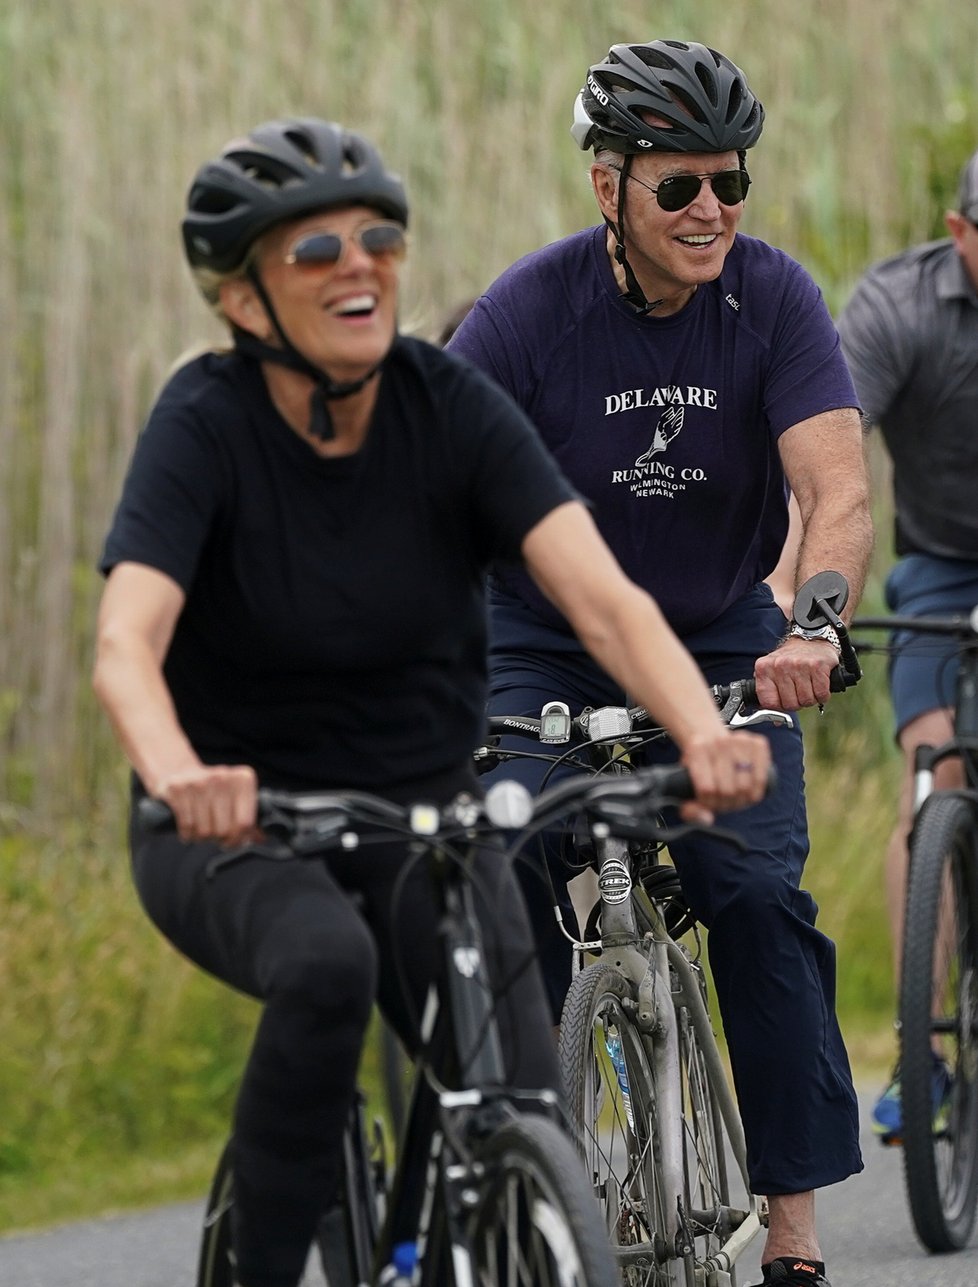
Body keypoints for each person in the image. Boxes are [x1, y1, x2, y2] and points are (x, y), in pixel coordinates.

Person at [91, 116, 771, 1287]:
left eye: (380, 239)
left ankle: (496, 1217)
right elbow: (125, 646)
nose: (359, 264)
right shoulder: (203, 427)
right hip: (242, 824)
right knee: (325, 967)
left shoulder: (447, 407)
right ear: (244, 301)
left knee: (515, 1105)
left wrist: (705, 733)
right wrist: (178, 773)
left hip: (424, 815)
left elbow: (603, 602)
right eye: (315, 252)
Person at [447, 40, 873, 1287]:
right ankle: (525, 1177)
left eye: (731, 184)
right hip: (539, 639)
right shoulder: (525, 315)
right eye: (679, 186)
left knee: (753, 903)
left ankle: (791, 1241)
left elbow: (834, 489)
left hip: (725, 635)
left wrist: (818, 621)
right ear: (607, 186)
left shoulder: (776, 301)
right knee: (500, 862)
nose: (711, 212)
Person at [836, 146, 978, 1146]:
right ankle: (922, 1055)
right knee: (932, 773)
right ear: (959, 229)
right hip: (938, 571)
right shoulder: (900, 306)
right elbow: (829, 440)